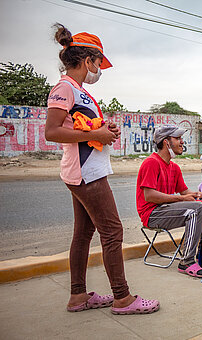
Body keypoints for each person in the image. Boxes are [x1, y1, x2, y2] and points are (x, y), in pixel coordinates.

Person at [45, 24, 159, 314]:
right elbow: (53, 131)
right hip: (86, 174)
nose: (100, 69)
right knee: (112, 232)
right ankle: (123, 298)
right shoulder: (65, 88)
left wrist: (102, 129)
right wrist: (96, 135)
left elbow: (79, 126)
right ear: (87, 61)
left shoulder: (79, 92)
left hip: (86, 171)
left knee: (83, 234)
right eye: (99, 63)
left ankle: (78, 296)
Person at [136, 125, 202, 278]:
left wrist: (199, 195)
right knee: (196, 209)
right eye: (178, 138)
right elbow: (149, 196)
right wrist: (182, 198)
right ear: (166, 142)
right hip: (152, 214)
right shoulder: (151, 163)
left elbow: (184, 192)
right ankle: (186, 261)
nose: (182, 142)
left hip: (167, 208)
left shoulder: (174, 167)